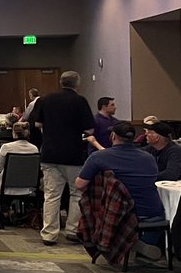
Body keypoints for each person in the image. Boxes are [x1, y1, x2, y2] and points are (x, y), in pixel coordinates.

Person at [77, 121, 168, 261]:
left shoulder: (98, 157)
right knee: (159, 221)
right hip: (151, 212)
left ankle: (124, 243)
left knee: (91, 199)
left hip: (117, 215)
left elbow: (80, 184)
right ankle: (136, 244)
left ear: (113, 136)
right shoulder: (149, 158)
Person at [27, 71, 93, 245]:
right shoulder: (80, 101)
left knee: (51, 195)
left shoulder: (45, 100)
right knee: (76, 193)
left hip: (49, 152)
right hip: (73, 154)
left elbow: (38, 124)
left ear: (61, 82)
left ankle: (49, 233)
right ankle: (72, 230)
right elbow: (90, 130)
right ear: (76, 83)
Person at [0, 121, 38, 195]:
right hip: (29, 188)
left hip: (7, 187)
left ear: (14, 133)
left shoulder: (6, 147)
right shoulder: (34, 149)